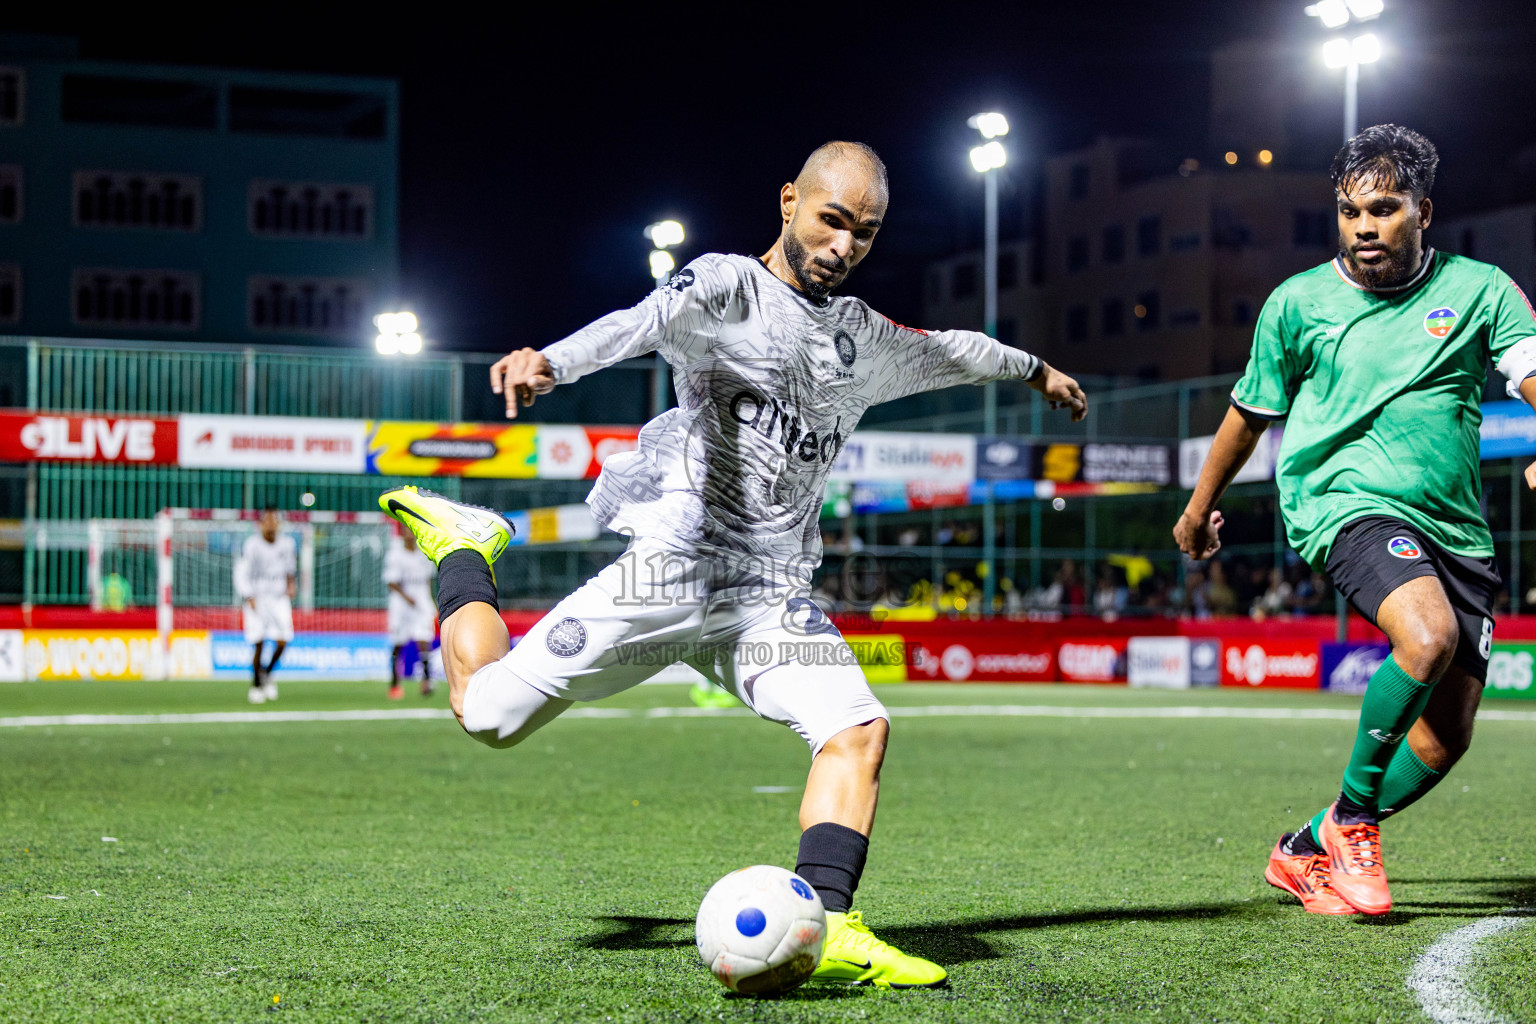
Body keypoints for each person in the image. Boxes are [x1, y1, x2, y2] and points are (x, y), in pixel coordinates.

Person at [380, 141, 1087, 988]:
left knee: (857, 732)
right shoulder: (724, 285)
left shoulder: (863, 338)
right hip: (670, 572)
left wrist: (1037, 370)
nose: (843, 246)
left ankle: (832, 924)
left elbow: (959, 347)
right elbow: (637, 324)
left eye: (863, 233)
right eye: (831, 220)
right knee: (485, 713)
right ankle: (465, 546)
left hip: (768, 598)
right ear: (789, 201)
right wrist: (553, 363)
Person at [1175, 125, 1536, 916]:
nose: (1364, 227)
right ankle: (1356, 825)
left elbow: (1532, 373)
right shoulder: (1297, 303)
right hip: (1344, 503)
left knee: (1446, 740)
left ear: (1423, 211)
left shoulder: (1483, 289)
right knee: (1428, 636)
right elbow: (1248, 416)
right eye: (1348, 212)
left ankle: (1311, 843)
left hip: (1458, 529)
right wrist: (1200, 508)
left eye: (1383, 208)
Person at [234, 507, 296, 704]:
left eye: (274, 520)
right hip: (257, 597)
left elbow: (290, 569)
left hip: (279, 598)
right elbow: (241, 573)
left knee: (283, 640)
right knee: (258, 642)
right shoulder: (252, 545)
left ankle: (266, 674)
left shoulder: (288, 544)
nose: (271, 524)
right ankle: (256, 685)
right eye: (267, 520)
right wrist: (248, 596)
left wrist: (291, 585)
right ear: (261, 523)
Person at [384, 528, 438, 699]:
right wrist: (407, 598)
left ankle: (427, 681)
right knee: (398, 643)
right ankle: (394, 683)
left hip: (420, 602)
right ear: (401, 535)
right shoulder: (395, 555)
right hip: (401, 604)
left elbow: (428, 580)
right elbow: (391, 583)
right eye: (406, 532)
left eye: (411, 532)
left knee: (424, 639)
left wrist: (428, 599)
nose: (409, 535)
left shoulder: (424, 554)